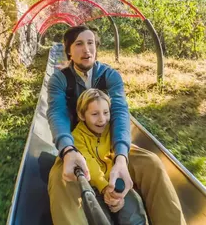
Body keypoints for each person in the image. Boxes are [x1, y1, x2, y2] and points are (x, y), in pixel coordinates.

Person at [47, 25, 186, 225]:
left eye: (91, 43)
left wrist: (121, 156)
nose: (87, 49)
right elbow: (57, 113)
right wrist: (67, 149)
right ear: (69, 50)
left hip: (111, 143)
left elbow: (120, 112)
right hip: (77, 146)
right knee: (60, 180)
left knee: (152, 164)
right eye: (79, 44)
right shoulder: (59, 80)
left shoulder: (110, 76)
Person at [73, 88, 147, 224]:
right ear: (82, 115)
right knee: (98, 216)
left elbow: (118, 152)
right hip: (95, 187)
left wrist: (116, 194)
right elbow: (89, 164)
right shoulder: (77, 137)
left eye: (106, 113)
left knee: (133, 207)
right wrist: (105, 188)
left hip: (117, 185)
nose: (102, 119)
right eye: (95, 114)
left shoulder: (112, 130)